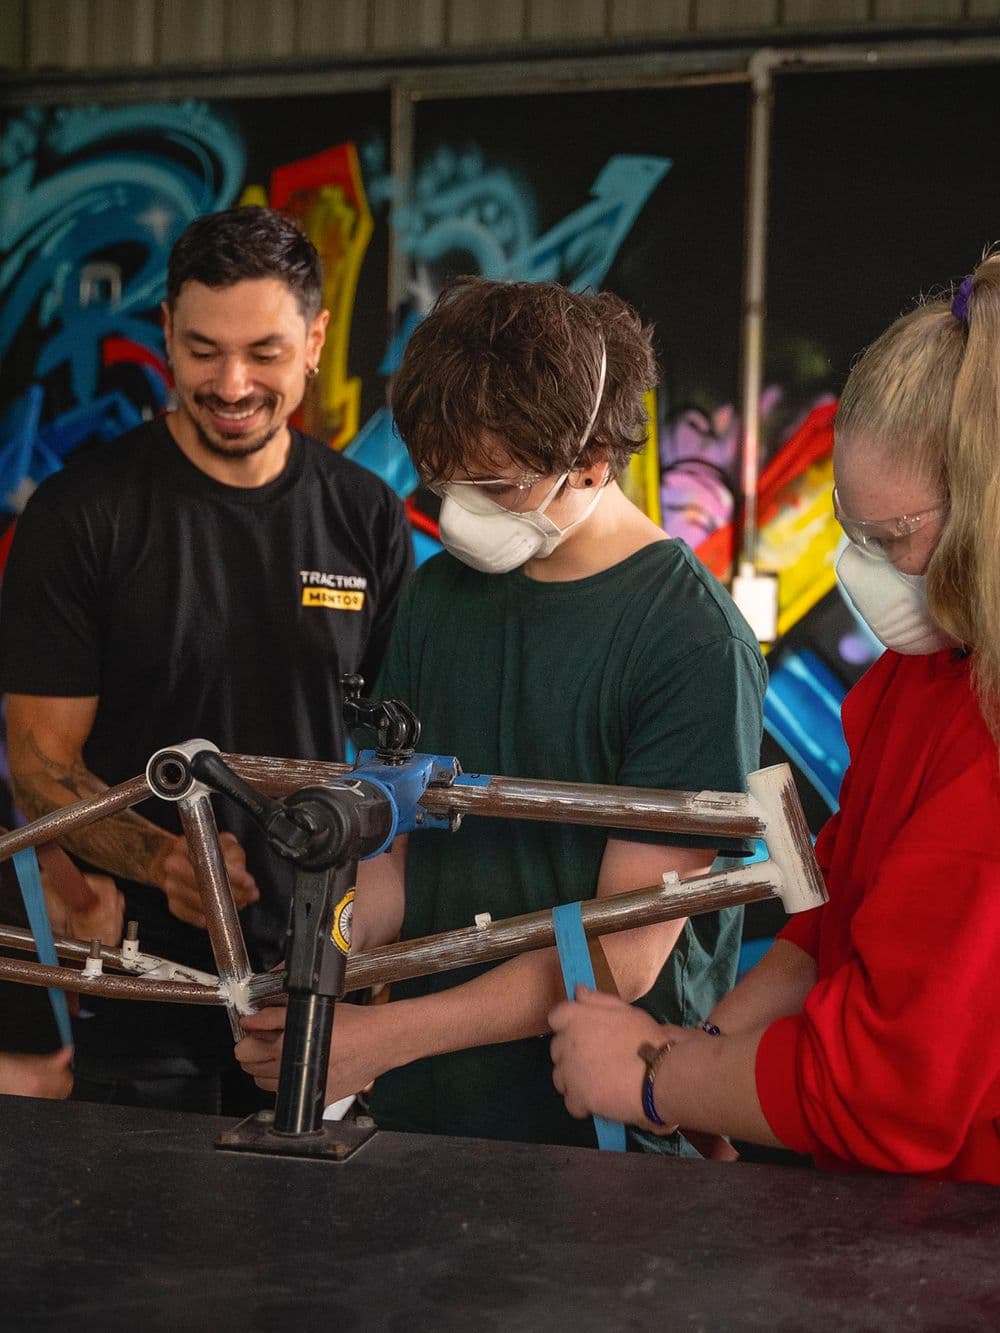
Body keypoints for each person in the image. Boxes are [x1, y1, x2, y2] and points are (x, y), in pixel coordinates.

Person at [236, 276, 767, 1150]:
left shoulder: (691, 642)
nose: (459, 513)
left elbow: (619, 958)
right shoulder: (439, 597)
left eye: (494, 483)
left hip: (596, 1147)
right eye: (443, 481)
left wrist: (375, 1040)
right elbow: (389, 854)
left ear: (591, 459)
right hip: (419, 1120)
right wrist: (314, 978)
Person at [548, 253, 1000, 1184]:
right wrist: (705, 1053)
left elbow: (886, 1087)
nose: (860, 568)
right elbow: (836, 916)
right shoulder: (924, 671)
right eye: (849, 528)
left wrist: (660, 1081)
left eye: (892, 540)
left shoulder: (984, 750)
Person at [0, 206, 413, 1113]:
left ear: (314, 340)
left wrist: (378, 952)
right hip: (144, 973)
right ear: (166, 338)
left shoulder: (368, 517)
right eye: (202, 350)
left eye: (264, 352)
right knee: (137, 1244)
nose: (231, 383)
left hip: (319, 968)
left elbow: (399, 764)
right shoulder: (82, 516)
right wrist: (162, 861)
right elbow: (38, 764)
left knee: (318, 1245)